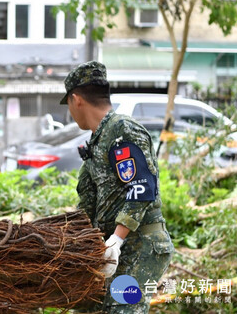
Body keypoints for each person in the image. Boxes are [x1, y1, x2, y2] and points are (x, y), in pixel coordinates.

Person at [59, 61, 174, 313]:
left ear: (76, 99)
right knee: (87, 308)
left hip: (139, 245)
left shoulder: (122, 130)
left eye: (67, 104)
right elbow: (88, 204)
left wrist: (116, 241)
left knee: (120, 309)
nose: (70, 111)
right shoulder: (98, 140)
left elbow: (141, 187)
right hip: (111, 249)